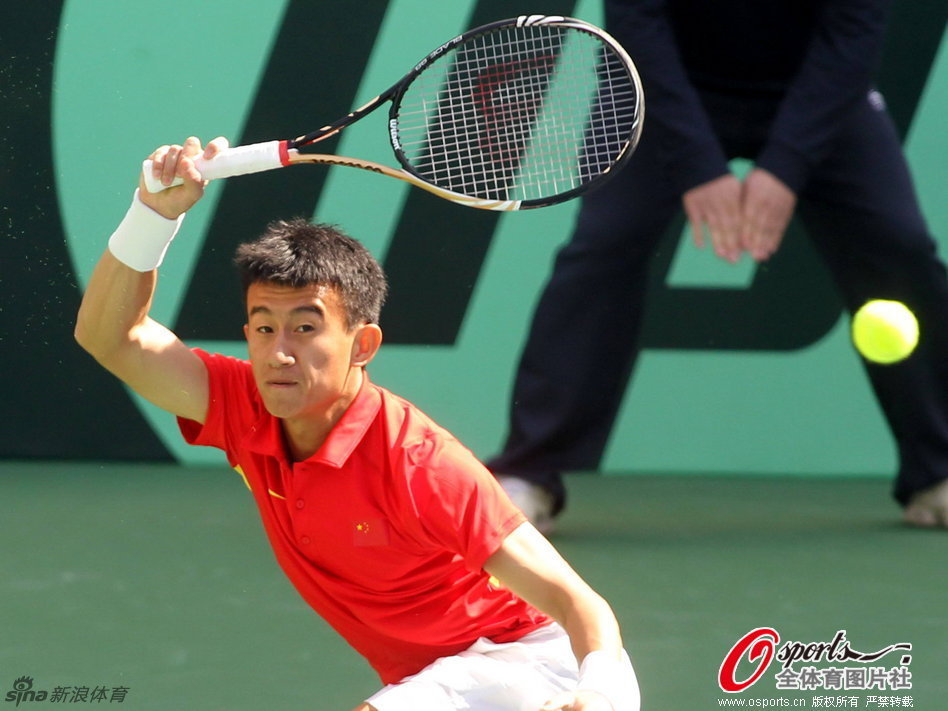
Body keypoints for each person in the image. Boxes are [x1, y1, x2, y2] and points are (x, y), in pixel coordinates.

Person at [73, 136, 640, 711]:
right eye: (264, 328)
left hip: (541, 666)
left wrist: (597, 691)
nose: (279, 354)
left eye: (305, 328)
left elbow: (577, 602)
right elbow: (110, 338)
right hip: (434, 680)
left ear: (362, 343)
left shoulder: (421, 464)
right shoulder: (243, 404)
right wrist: (153, 213)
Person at [488, 0, 948, 532]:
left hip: (818, 94)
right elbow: (638, 24)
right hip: (656, 89)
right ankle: (531, 472)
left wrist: (785, 167)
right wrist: (699, 165)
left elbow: (854, 36)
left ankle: (939, 468)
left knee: (901, 246)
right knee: (602, 246)